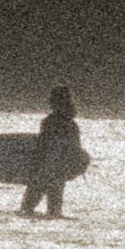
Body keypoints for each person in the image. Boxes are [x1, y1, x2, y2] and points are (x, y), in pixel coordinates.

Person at [21, 85, 84, 217]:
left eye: (52, 100)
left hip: (44, 169)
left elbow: (41, 146)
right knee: (55, 211)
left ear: (54, 102)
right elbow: (76, 150)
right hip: (59, 170)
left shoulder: (49, 122)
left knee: (26, 208)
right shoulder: (72, 125)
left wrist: (33, 166)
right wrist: (74, 167)